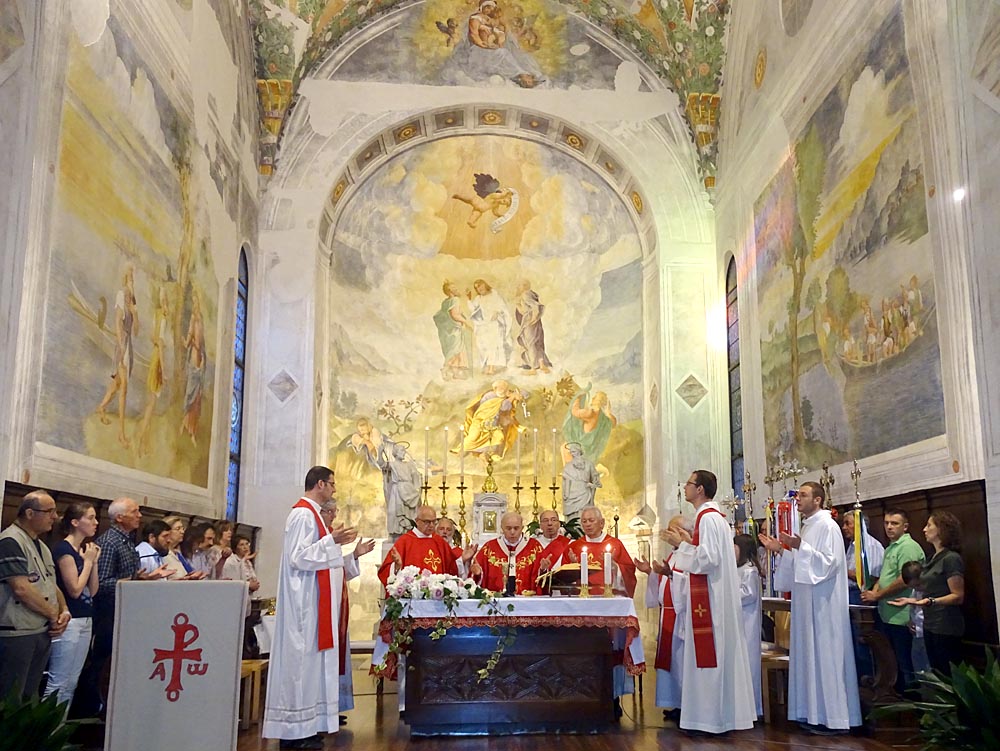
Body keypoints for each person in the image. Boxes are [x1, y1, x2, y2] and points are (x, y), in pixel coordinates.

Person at [263, 466, 359, 749]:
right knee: (300, 668)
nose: (334, 489)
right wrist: (332, 541)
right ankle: (293, 734)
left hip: (315, 606)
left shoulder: (313, 514)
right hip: (303, 608)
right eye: (332, 483)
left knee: (311, 669)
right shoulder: (303, 514)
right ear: (320, 484)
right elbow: (298, 558)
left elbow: (324, 563)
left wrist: (343, 550)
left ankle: (308, 726)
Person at [759, 482, 861, 734]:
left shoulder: (828, 526)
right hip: (807, 605)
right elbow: (800, 565)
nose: (798, 500)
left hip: (824, 606)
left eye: (803, 495)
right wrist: (781, 550)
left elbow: (828, 564)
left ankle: (834, 719)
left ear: (817, 500)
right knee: (810, 657)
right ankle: (812, 713)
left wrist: (798, 547)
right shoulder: (807, 526)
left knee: (826, 658)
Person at [663, 470, 755, 735]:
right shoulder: (715, 518)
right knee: (712, 658)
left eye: (689, 484)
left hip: (711, 599)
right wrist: (686, 545)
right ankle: (714, 718)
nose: (685, 488)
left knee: (708, 658)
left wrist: (681, 545)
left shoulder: (707, 518)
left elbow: (708, 560)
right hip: (713, 596)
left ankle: (708, 721)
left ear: (700, 489)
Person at [88, 497, 169, 712]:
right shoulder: (110, 542)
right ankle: (97, 708)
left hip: (126, 612)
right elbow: (101, 583)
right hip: (109, 614)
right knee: (104, 664)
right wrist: (132, 581)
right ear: (119, 517)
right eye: (134, 511)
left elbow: (126, 577)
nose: (139, 516)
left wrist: (141, 579)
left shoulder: (126, 541)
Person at [0, 491, 70, 701]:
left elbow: (50, 584)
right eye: (49, 511)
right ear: (30, 513)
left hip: (41, 630)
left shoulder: (42, 546)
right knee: (11, 700)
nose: (55, 517)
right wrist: (52, 614)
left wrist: (64, 611)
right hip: (17, 634)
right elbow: (21, 588)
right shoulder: (11, 541)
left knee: (29, 697)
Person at [889, 511, 965, 676]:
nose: (924, 529)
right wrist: (911, 601)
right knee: (935, 674)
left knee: (947, 675)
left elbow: (957, 595)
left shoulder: (950, 558)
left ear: (941, 529)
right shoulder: (933, 558)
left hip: (946, 625)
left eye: (929, 525)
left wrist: (931, 601)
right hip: (930, 624)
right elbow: (928, 589)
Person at [44, 502, 101, 714]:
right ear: (75, 522)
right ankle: (46, 729)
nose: (96, 522)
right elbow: (75, 590)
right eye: (91, 517)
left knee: (72, 681)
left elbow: (92, 591)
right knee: (58, 680)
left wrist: (94, 563)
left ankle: (60, 727)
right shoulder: (64, 550)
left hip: (86, 617)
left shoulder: (84, 551)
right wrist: (87, 563)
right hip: (69, 619)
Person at [861, 508, 925, 692]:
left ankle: (911, 700)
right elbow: (885, 576)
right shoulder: (891, 547)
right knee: (891, 661)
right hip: (888, 613)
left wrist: (878, 595)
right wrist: (873, 592)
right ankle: (895, 695)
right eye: (886, 523)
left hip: (902, 614)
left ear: (905, 526)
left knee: (905, 662)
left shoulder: (907, 547)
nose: (889, 527)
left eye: (894, 523)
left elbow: (904, 579)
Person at [638, 515, 691, 723]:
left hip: (682, 615)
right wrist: (651, 573)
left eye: (672, 529)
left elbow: (690, 582)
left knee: (681, 662)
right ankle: (676, 703)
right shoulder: (674, 554)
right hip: (668, 613)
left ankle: (687, 707)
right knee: (671, 663)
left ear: (684, 532)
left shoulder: (691, 553)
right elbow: (665, 581)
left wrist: (670, 575)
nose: (668, 533)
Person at [377, 505, 475, 589]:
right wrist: (397, 566)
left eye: (434, 522)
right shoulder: (405, 541)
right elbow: (385, 571)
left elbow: (451, 570)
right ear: (417, 521)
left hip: (438, 598)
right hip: (414, 597)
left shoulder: (439, 541)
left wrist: (463, 560)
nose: (431, 525)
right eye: (427, 522)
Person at [95, 265, 138, 448]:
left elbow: (136, 331)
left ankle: (101, 407)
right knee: (124, 388)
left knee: (116, 385)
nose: (132, 280)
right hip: (122, 346)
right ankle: (121, 434)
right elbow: (117, 323)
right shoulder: (121, 295)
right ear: (125, 278)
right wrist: (120, 347)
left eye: (133, 277)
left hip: (129, 346)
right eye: (130, 277)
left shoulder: (132, 301)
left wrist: (135, 313)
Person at [564, 506, 636, 596]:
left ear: (601, 523)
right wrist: (573, 565)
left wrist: (613, 565)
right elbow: (562, 577)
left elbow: (629, 572)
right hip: (581, 597)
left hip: (609, 597)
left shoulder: (615, 544)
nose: (588, 524)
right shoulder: (574, 546)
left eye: (591, 520)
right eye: (584, 521)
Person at [470, 512, 542, 594]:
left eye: (516, 528)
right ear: (502, 528)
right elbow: (476, 577)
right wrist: (478, 574)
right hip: (496, 599)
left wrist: (543, 569)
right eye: (508, 528)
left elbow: (542, 578)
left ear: (522, 528)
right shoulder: (489, 547)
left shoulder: (534, 547)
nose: (512, 532)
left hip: (526, 599)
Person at [459, 380, 525, 461]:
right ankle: (464, 449)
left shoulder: (506, 395)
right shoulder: (489, 396)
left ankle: (488, 454)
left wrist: (517, 394)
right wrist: (512, 397)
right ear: (495, 388)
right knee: (473, 436)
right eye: (502, 388)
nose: (504, 390)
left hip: (494, 424)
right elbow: (501, 407)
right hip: (480, 420)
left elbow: (524, 394)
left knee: (499, 437)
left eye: (505, 388)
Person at [734, 533, 763, 719]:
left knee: (748, 664)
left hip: (747, 624)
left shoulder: (750, 571)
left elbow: (749, 594)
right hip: (738, 622)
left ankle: (752, 708)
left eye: (734, 548)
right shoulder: (738, 569)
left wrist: (727, 591)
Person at [467, 279, 511, 374]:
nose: (479, 288)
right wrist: (469, 299)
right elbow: (473, 309)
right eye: (477, 288)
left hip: (494, 324)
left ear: (484, 285)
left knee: (493, 345)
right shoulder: (478, 298)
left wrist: (497, 312)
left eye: (480, 285)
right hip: (483, 325)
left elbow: (501, 306)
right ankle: (487, 366)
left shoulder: (494, 294)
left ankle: (491, 368)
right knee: (483, 346)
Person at [562, 390, 617, 465]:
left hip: (583, 445)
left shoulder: (590, 413)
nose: (593, 398)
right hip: (591, 446)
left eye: (595, 397)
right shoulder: (602, 417)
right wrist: (608, 413)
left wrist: (578, 398)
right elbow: (613, 423)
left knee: (564, 448)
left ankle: (570, 469)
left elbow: (575, 412)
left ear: (599, 401)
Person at [432, 280, 473, 380]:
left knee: (456, 352)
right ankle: (445, 370)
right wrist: (467, 323)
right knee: (455, 351)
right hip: (454, 330)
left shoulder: (445, 302)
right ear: (450, 291)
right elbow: (454, 315)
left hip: (448, 330)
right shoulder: (455, 300)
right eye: (454, 288)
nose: (457, 289)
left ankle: (455, 374)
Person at [897, 561, 930, 674]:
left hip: (927, 634)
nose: (917, 588)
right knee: (918, 668)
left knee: (929, 668)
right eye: (913, 587)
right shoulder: (914, 591)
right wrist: (910, 621)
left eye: (917, 585)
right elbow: (913, 609)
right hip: (916, 635)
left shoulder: (932, 589)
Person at [513, 279, 551, 374]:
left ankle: (533, 368)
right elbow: (526, 310)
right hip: (536, 322)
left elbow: (535, 308)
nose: (518, 287)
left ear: (525, 286)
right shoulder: (531, 294)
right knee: (537, 343)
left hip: (529, 322)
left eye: (520, 285)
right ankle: (541, 365)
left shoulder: (525, 294)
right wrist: (518, 306)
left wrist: (532, 319)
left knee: (530, 344)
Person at [385, 443, 422, 536]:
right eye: (402, 451)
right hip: (397, 490)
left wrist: (417, 485)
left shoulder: (408, 465)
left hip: (408, 489)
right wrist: (380, 450)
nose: (404, 453)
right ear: (396, 452)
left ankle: (407, 530)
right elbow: (382, 465)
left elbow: (415, 475)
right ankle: (398, 531)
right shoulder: (392, 464)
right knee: (394, 512)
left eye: (404, 451)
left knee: (408, 512)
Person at [561, 443, 601, 521]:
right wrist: (566, 494)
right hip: (571, 496)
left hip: (585, 493)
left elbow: (595, 478)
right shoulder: (568, 467)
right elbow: (566, 482)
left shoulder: (589, 464)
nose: (573, 454)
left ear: (579, 451)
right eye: (571, 452)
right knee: (573, 517)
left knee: (585, 515)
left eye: (574, 451)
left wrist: (593, 485)